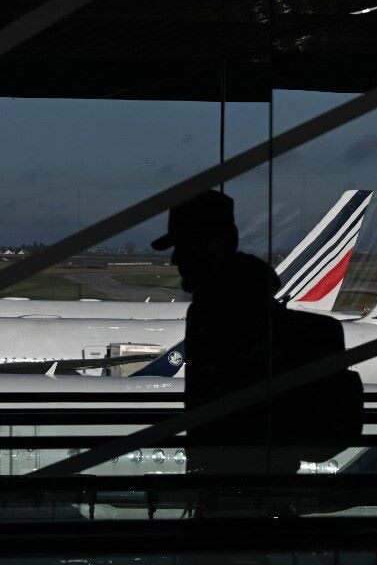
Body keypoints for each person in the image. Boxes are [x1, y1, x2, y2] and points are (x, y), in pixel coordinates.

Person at [151, 190, 362, 481]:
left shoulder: (225, 319)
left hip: (245, 485)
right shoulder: (214, 312)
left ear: (213, 246)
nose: (175, 259)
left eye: (183, 246)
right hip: (250, 481)